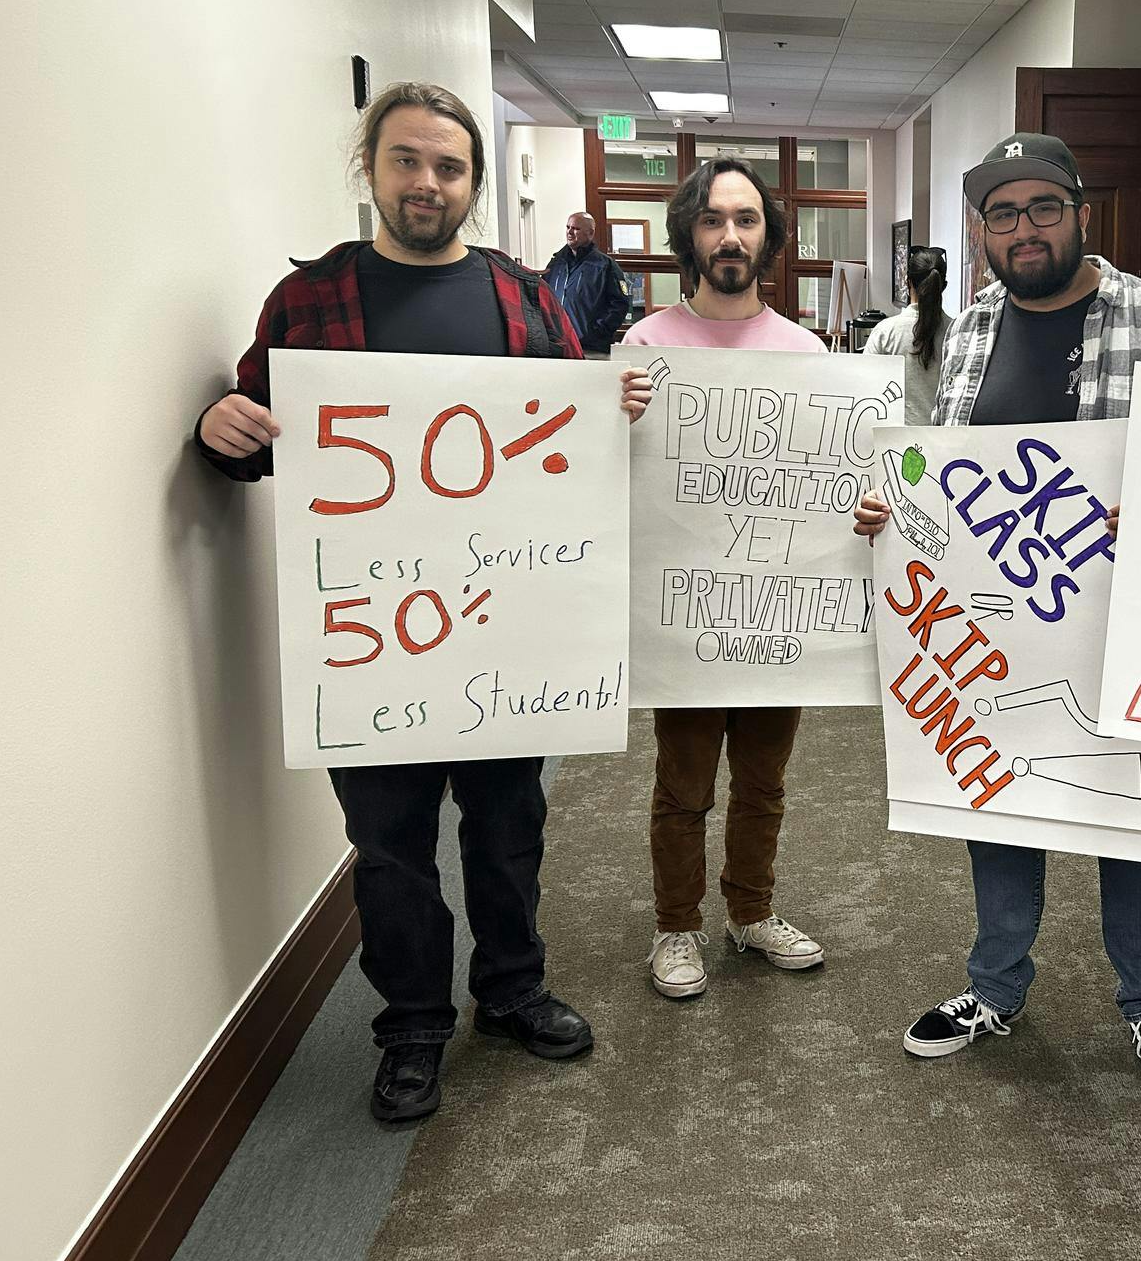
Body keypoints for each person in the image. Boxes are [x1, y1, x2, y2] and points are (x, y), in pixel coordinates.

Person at [193, 81, 653, 1123]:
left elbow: (568, 452)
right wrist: (218, 428)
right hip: (372, 640)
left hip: (499, 624)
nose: (425, 183)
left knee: (507, 827)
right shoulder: (307, 301)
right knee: (391, 846)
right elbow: (262, 441)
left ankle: (511, 990)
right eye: (406, 161)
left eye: (447, 167)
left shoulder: (527, 300)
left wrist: (605, 410)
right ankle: (410, 1027)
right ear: (372, 169)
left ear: (473, 184)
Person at [853, 132, 1141, 1094]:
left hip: (1118, 620)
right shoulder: (970, 331)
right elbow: (937, 470)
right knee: (999, 803)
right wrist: (892, 511)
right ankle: (996, 986)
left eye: (1043, 209)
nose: (1025, 230)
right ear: (981, 232)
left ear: (1080, 215)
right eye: (1003, 214)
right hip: (997, 625)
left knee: (1128, 818)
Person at [621, 158, 828, 1000]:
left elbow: (833, 475)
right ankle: (676, 929)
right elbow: (609, 479)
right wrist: (612, 422)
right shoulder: (644, 348)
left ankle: (750, 913)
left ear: (768, 237)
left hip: (777, 606)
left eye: (745, 219)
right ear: (689, 236)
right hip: (686, 612)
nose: (730, 235)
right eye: (712, 220)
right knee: (684, 784)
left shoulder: (806, 351)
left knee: (764, 781)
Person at [861, 245, 950, 425]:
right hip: (944, 443)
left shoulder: (885, 332)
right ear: (944, 286)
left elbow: (865, 388)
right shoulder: (957, 332)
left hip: (894, 441)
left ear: (907, 282)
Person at [543, 211, 633, 356]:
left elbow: (620, 304)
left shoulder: (605, 265)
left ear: (590, 233)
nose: (570, 232)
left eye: (576, 229)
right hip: (558, 347)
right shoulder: (556, 263)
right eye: (568, 227)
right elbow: (543, 297)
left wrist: (596, 332)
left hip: (592, 349)